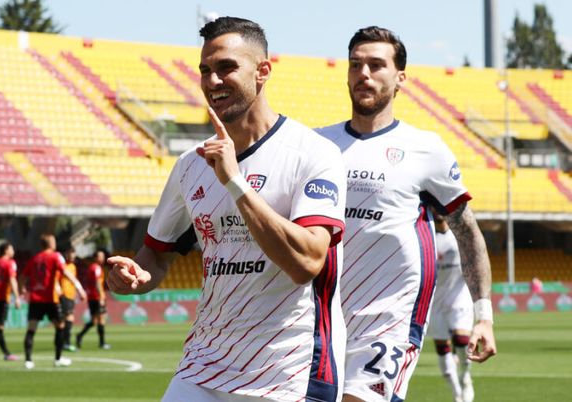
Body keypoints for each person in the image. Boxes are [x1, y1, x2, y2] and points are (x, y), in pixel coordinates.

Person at [107, 17, 347, 402]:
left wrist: (236, 183)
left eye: (226, 68)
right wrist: (137, 275)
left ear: (263, 71)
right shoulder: (190, 164)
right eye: (205, 70)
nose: (213, 81)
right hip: (203, 365)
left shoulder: (314, 154)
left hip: (288, 372)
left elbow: (308, 263)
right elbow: (156, 253)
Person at [316, 26, 497, 401]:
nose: (364, 74)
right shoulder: (317, 146)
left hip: (388, 322)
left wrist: (483, 316)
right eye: (356, 65)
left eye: (376, 65)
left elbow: (468, 233)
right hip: (317, 319)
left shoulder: (425, 149)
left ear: (400, 78)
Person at [20, 234, 86, 369]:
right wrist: (79, 288)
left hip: (36, 299)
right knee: (60, 327)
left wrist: (22, 289)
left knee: (31, 329)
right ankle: (58, 358)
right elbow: (66, 273)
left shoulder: (35, 258)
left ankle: (28, 360)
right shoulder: (55, 256)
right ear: (50, 243)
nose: (55, 243)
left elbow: (23, 276)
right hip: (51, 299)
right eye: (53, 241)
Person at [429, 212, 474, 402]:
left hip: (459, 295)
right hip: (435, 299)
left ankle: (465, 376)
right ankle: (456, 393)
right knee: (441, 346)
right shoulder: (427, 234)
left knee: (461, 338)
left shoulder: (459, 234)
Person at [76, 249, 110, 350]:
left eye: (103, 256)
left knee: (95, 321)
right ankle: (102, 343)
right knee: (101, 319)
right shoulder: (96, 268)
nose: (102, 258)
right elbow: (97, 283)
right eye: (100, 256)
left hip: (92, 297)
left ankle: (80, 335)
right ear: (96, 258)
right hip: (96, 297)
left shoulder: (92, 267)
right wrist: (101, 297)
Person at [58, 247, 80, 352]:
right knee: (68, 319)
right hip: (64, 295)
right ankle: (66, 343)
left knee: (67, 319)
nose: (72, 255)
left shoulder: (73, 266)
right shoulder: (63, 266)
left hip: (71, 296)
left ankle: (63, 342)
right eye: (70, 253)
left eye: (73, 253)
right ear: (66, 254)